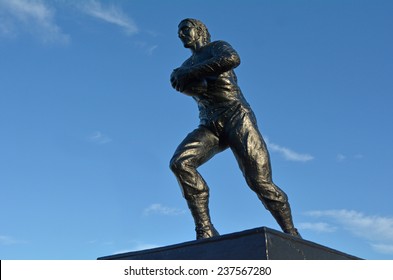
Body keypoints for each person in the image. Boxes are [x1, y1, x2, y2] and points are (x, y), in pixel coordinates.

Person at [170, 18, 301, 240]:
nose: (181, 34)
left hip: (237, 117)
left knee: (259, 182)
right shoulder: (182, 68)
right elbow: (188, 86)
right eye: (179, 32)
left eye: (185, 29)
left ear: (200, 30)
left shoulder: (216, 47)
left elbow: (231, 59)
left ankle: (292, 234)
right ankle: (205, 229)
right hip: (210, 124)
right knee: (181, 163)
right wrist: (185, 76)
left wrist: (191, 73)